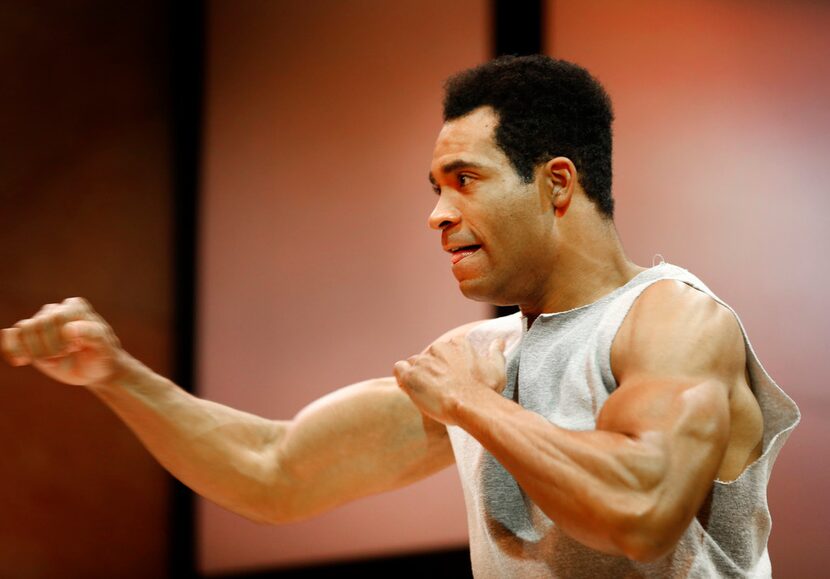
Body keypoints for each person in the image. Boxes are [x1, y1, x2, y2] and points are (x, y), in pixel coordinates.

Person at [1, 56, 799, 577]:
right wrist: (119, 377)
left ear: (557, 183)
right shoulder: (479, 355)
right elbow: (276, 469)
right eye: (433, 188)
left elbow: (643, 510)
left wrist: (472, 405)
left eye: (464, 179)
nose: (438, 214)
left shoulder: (678, 321)